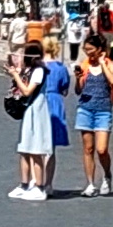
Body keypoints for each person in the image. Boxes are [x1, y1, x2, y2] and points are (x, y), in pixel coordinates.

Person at [74, 33, 113, 196]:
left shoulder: (108, 64)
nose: (88, 53)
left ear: (100, 49)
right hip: (85, 108)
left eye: (91, 49)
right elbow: (78, 91)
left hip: (103, 110)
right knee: (88, 148)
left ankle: (107, 175)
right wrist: (78, 79)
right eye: (85, 49)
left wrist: (102, 63)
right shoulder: (84, 65)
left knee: (101, 149)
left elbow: (112, 81)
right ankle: (90, 184)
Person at [8, 40, 53, 201]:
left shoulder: (39, 71)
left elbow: (27, 91)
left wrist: (16, 75)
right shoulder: (30, 70)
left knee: (36, 150)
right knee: (25, 149)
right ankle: (24, 184)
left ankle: (40, 187)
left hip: (37, 110)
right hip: (29, 110)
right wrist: (16, 73)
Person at [42, 44, 72, 193]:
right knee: (51, 148)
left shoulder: (38, 67)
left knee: (38, 145)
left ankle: (36, 180)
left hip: (40, 101)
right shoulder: (61, 68)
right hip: (55, 101)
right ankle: (48, 183)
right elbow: (65, 88)